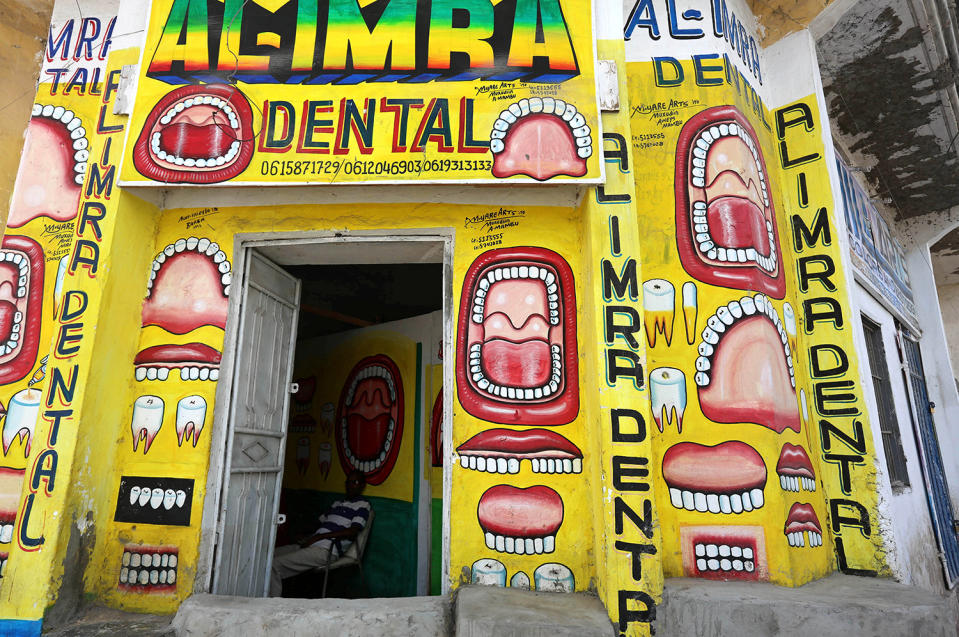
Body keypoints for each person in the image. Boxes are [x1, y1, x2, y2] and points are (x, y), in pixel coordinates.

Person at [269, 470, 371, 596]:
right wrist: (302, 534)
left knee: (274, 565)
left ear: (362, 486)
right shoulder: (337, 504)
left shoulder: (363, 505)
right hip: (311, 543)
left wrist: (319, 537)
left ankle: (271, 606)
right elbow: (318, 523)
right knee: (267, 557)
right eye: (348, 482)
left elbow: (352, 532)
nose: (350, 485)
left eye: (354, 482)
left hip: (326, 550)